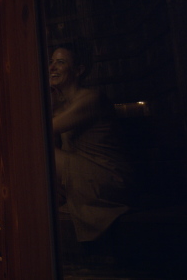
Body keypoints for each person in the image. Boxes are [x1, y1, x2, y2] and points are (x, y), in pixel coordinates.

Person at [49, 44, 133, 242]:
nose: (52, 67)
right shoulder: (61, 107)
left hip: (108, 178)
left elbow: (41, 132)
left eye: (60, 62)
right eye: (51, 62)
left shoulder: (90, 99)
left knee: (37, 151)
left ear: (79, 70)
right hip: (82, 174)